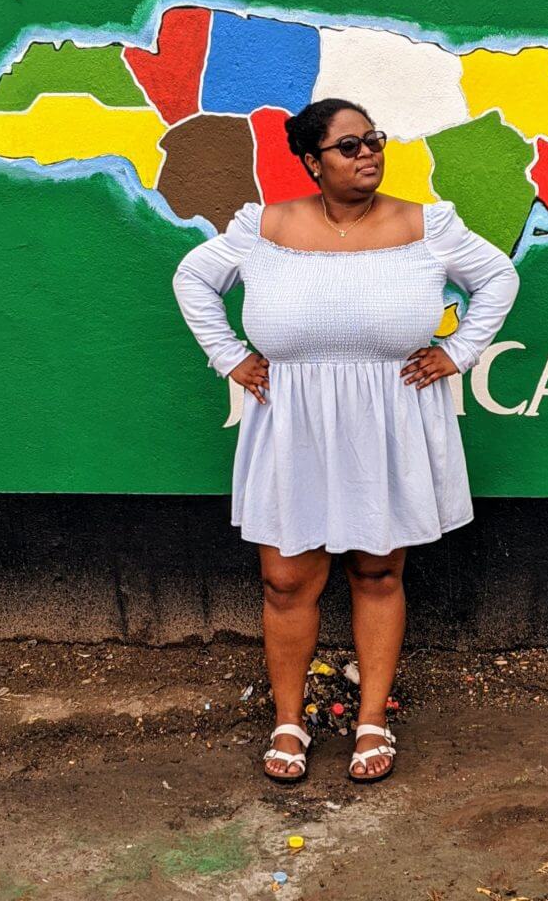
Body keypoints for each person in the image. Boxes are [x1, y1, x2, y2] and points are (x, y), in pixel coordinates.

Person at [172, 98, 520, 784]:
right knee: (284, 579)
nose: (368, 154)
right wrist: (228, 356)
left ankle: (370, 721)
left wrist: (461, 350)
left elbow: (497, 277)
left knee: (377, 570)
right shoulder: (264, 226)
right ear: (310, 159)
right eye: (349, 145)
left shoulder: (425, 224)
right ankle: (288, 721)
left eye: (374, 141)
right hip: (292, 416)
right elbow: (193, 278)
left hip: (386, 416)